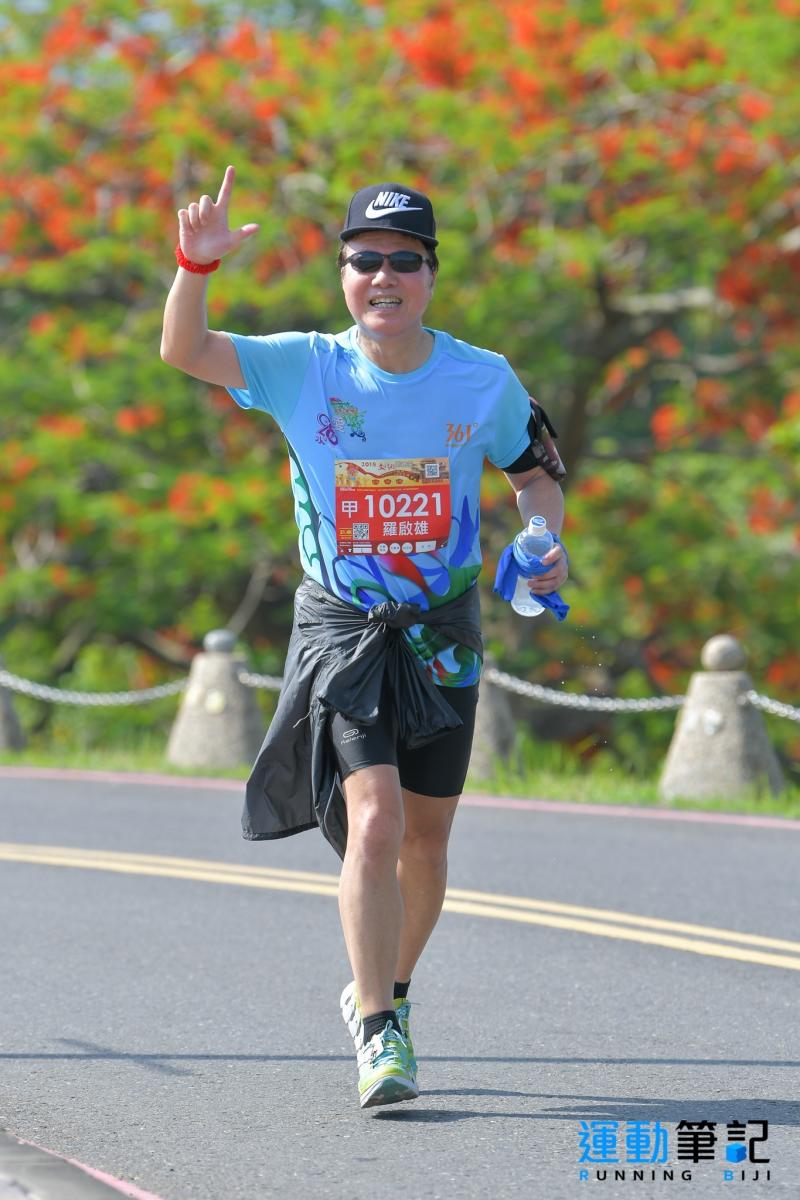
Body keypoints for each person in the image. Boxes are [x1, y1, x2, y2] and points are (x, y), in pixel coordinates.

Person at [160, 167, 569, 1109]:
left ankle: (390, 989)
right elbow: (185, 349)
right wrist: (195, 265)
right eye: (365, 261)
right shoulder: (303, 366)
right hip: (345, 628)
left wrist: (543, 540)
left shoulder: (483, 377)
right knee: (376, 822)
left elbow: (535, 475)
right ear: (344, 274)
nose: (384, 277)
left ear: (431, 274)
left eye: (404, 262)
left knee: (426, 840)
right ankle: (380, 1033)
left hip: (443, 631)